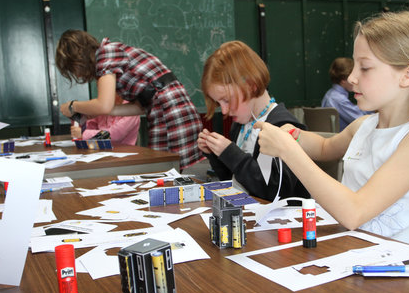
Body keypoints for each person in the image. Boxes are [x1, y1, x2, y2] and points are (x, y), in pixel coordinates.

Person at [255, 11, 409, 247]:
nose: (352, 77)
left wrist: (289, 152)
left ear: (408, 76)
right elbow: (324, 147)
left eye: (365, 68)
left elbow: (354, 212)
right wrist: (294, 135)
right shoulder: (364, 125)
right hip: (356, 252)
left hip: (404, 270)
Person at [55, 29, 203, 169]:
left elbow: (104, 105)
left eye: (74, 69)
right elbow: (138, 107)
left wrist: (73, 106)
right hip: (162, 108)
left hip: (172, 108)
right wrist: (100, 111)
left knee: (166, 169)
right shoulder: (111, 58)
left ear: (78, 59)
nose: (79, 75)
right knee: (165, 169)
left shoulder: (106, 54)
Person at [198, 40, 309, 201]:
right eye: (219, 103)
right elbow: (237, 180)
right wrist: (217, 155)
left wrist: (230, 153)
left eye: (227, 100)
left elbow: (275, 192)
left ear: (251, 86)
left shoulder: (283, 126)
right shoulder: (241, 126)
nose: (223, 110)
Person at [321, 57, 369, 131]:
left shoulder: (329, 94)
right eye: (352, 77)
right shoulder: (339, 100)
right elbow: (362, 121)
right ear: (343, 79)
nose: (355, 81)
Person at [70, 95, 140, 146]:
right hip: (101, 151)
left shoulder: (132, 109)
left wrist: (83, 135)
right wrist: (78, 116)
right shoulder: (104, 106)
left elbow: (114, 135)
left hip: (124, 156)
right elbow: (90, 127)